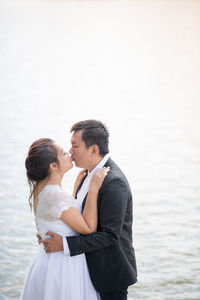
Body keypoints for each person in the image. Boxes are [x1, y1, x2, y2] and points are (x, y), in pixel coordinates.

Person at [42, 120, 137, 300]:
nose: (70, 151)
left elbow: (110, 235)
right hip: (86, 272)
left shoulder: (113, 182)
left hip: (109, 274)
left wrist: (63, 244)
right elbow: (80, 216)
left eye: (75, 146)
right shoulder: (86, 173)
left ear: (93, 150)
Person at [21, 137, 109, 300]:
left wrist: (75, 192)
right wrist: (94, 188)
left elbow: (60, 218)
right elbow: (88, 228)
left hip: (51, 261)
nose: (68, 153)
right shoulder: (55, 195)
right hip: (63, 267)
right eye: (62, 153)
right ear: (53, 166)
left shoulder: (44, 189)